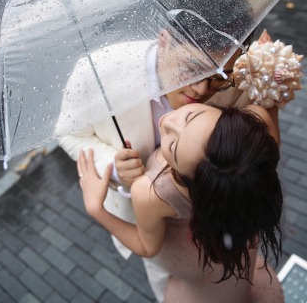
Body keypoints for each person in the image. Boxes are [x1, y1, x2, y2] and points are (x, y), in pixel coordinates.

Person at [55, 0, 279, 300]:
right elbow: (68, 132)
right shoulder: (97, 73)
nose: (202, 91)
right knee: (167, 283)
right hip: (150, 221)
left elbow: (257, 145)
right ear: (163, 42)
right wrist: (114, 166)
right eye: (191, 69)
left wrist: (272, 85)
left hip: (223, 217)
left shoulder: (240, 74)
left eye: (218, 78)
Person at [77, 102, 283, 303]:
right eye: (190, 116)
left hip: (191, 259)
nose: (167, 121)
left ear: (188, 180)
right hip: (240, 234)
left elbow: (147, 247)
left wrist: (97, 210)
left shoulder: (152, 192)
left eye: (172, 146)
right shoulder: (258, 120)